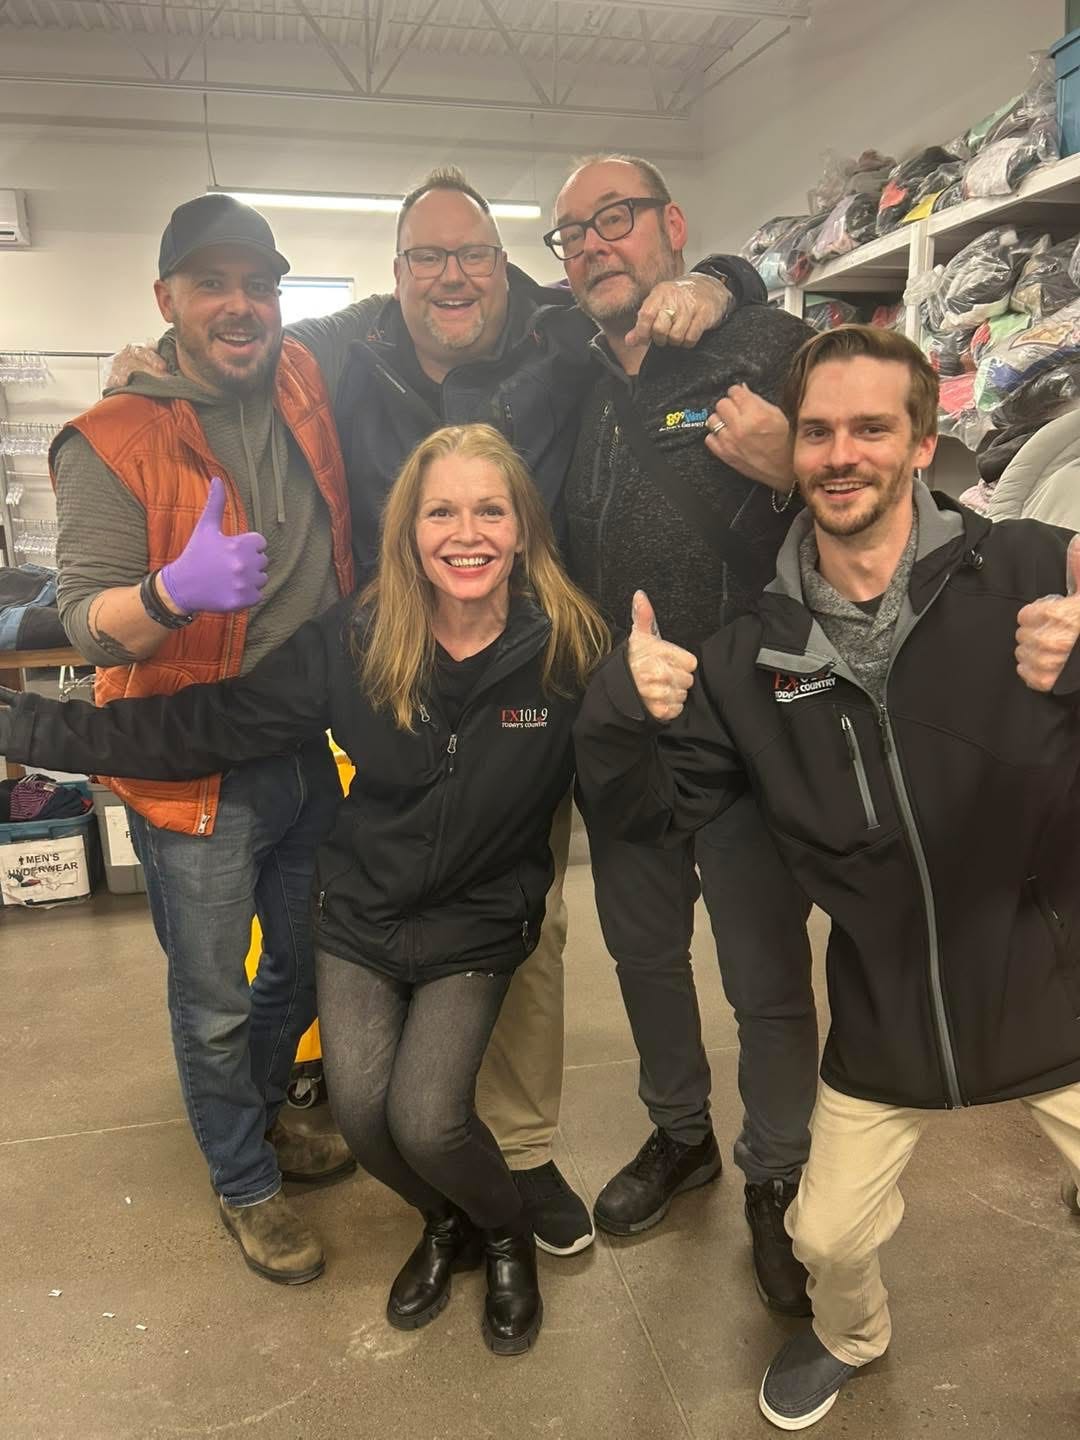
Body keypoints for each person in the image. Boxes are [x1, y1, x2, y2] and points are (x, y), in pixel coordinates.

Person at [106, 165, 757, 1259]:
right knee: (386, 890)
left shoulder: (558, 331)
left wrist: (729, 277)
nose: (451, 277)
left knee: (530, 925)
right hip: (390, 675)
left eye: (473, 256)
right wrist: (156, 365)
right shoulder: (348, 347)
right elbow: (238, 334)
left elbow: (654, 294)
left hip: (532, 676)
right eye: (427, 258)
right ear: (397, 272)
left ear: (504, 268)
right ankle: (410, 1111)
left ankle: (521, 1147)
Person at [1, 422, 610, 1357]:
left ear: (524, 527)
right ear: (407, 531)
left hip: (480, 919)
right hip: (363, 911)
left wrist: (645, 718)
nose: (466, 533)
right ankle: (443, 1224)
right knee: (363, 1121)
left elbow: (635, 805)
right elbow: (206, 724)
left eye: (491, 511)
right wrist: (29, 728)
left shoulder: (572, 649)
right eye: (440, 512)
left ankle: (503, 1236)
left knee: (429, 1122)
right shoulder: (356, 638)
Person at [574, 323, 1080, 1430]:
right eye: (817, 433)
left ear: (923, 442)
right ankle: (852, 1338)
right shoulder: (745, 660)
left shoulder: (1037, 570)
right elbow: (647, 812)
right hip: (886, 1012)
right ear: (790, 451)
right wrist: (620, 706)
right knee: (824, 1239)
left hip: (1055, 986)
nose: (841, 455)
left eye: (870, 429)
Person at [48, 193, 357, 1286]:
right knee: (216, 996)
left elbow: (434, 297)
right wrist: (170, 594)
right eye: (211, 284)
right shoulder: (109, 439)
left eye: (258, 285)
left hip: (302, 743)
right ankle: (244, 1180)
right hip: (191, 768)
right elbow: (83, 618)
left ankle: (264, 1113)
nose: (239, 305)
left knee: (306, 964)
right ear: (165, 298)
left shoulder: (301, 373)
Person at [549, 153, 818, 1315]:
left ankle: (778, 1172)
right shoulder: (562, 373)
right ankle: (681, 1135)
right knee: (645, 954)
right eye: (572, 232)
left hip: (749, 723)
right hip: (621, 721)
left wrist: (793, 458)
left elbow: (863, 456)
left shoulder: (759, 344)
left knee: (765, 972)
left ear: (671, 224)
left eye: (614, 218)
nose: (593, 244)